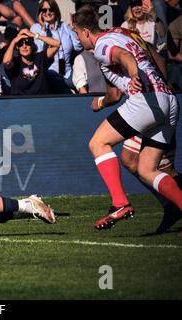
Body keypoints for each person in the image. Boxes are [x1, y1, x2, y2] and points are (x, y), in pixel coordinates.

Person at [71, 5, 182, 230]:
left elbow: (124, 55)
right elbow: (150, 57)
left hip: (146, 99)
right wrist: (101, 103)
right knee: (147, 169)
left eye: (76, 34)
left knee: (98, 143)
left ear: (85, 32)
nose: (77, 39)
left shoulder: (102, 46)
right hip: (168, 100)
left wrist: (133, 74)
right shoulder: (123, 33)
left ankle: (120, 204)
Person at [30, 0, 83, 94]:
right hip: (50, 72)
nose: (48, 12)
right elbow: (40, 53)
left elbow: (78, 47)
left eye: (51, 9)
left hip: (67, 72)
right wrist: (43, 29)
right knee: (64, 91)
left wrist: (74, 29)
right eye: (44, 10)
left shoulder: (64, 26)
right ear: (40, 13)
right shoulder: (36, 28)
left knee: (84, 83)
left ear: (56, 11)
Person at [3, 28, 60, 95]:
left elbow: (57, 44)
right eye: (20, 43)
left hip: (41, 101)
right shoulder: (15, 63)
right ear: (17, 47)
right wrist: (13, 42)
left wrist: (34, 35)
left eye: (28, 42)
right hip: (20, 102)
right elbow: (6, 62)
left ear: (33, 45)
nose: (24, 46)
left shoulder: (41, 58)